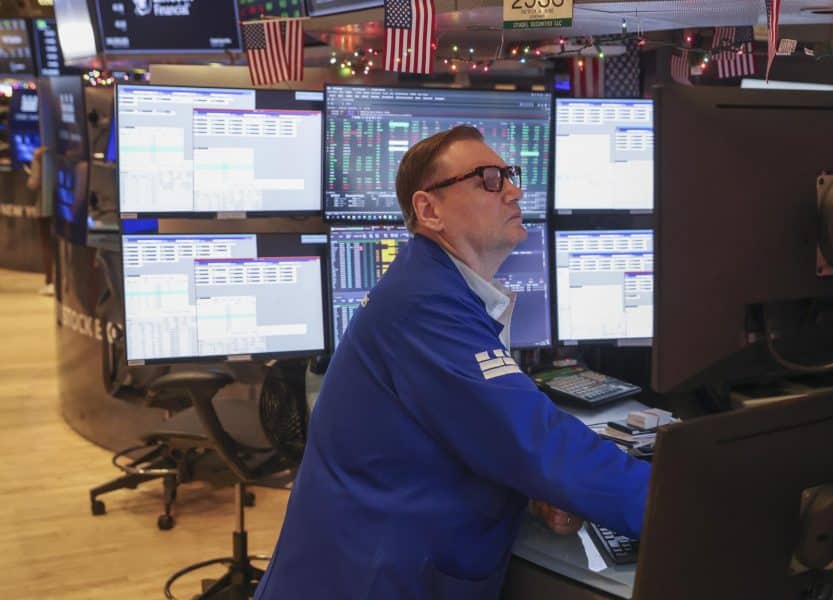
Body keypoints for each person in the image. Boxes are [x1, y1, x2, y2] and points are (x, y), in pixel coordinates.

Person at [255, 126, 651, 599]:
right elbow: (532, 440)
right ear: (429, 210)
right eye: (488, 179)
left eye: (509, 176)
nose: (514, 191)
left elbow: (470, 437)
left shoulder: (438, 289)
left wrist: (529, 496)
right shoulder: (424, 303)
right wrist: (677, 505)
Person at [25, 145, 53, 296]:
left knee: (47, 245)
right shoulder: (67, 150)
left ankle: (51, 281)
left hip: (45, 208)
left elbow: (33, 183)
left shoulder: (39, 156)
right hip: (65, 208)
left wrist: (35, 162)